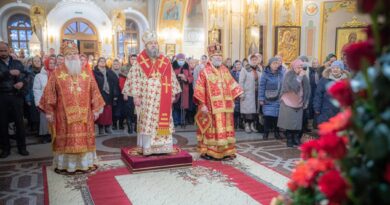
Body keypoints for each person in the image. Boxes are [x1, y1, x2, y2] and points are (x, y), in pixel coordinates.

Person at [39, 41, 105, 174]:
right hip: (63, 116)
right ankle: (67, 165)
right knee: (66, 141)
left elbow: (95, 91)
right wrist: (49, 111)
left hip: (85, 115)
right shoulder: (56, 74)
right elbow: (49, 93)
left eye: (74, 54)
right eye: (68, 54)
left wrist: (96, 109)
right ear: (63, 56)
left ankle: (85, 163)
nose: (72, 56)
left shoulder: (86, 73)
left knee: (84, 140)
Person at [122, 30, 181, 155]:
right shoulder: (139, 61)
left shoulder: (165, 61)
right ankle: (148, 147)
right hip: (146, 99)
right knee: (147, 121)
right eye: (151, 43)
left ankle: (164, 146)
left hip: (163, 98)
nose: (154, 45)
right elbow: (134, 79)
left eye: (155, 43)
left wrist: (172, 94)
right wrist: (136, 96)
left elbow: (171, 78)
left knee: (163, 120)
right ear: (146, 46)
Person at [194, 42, 243, 160]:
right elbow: (199, 89)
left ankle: (226, 151)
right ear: (210, 58)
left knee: (225, 129)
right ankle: (209, 151)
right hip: (211, 108)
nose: (219, 58)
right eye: (216, 56)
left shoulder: (225, 70)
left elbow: (231, 83)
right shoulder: (204, 71)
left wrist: (239, 93)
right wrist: (202, 104)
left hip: (225, 107)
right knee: (211, 130)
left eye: (220, 56)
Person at [0, 41, 29, 158]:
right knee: (2, 123)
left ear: (9, 50)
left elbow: (26, 75)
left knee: (19, 123)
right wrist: (8, 73)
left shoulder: (17, 63)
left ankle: (22, 147)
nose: (2, 53)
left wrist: (22, 82)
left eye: (4, 50)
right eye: (0, 51)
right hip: (2, 96)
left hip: (16, 96)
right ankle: (5, 148)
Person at [277, 59, 310, 147]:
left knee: (297, 122)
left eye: (301, 67)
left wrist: (306, 101)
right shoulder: (288, 75)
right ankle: (289, 139)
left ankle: (296, 138)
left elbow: (307, 89)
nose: (300, 69)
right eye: (298, 67)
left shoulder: (304, 76)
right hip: (288, 101)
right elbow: (293, 87)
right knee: (289, 122)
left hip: (299, 102)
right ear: (294, 67)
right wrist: (299, 77)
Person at [313, 60, 349, 126]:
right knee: (327, 129)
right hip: (326, 110)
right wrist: (316, 107)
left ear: (341, 70)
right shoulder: (324, 80)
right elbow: (318, 94)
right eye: (333, 68)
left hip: (341, 110)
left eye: (337, 68)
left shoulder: (346, 81)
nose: (335, 70)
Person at [259, 57, 284, 140]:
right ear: (269, 64)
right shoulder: (265, 74)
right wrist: (261, 98)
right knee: (267, 116)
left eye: (277, 63)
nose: (276, 65)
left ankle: (276, 133)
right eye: (274, 63)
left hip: (278, 98)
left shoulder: (281, 73)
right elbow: (261, 86)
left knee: (276, 117)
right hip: (267, 98)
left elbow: (284, 85)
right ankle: (265, 133)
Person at [93, 57, 120, 135]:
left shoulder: (109, 71)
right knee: (101, 111)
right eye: (100, 61)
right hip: (99, 93)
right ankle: (101, 127)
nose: (102, 62)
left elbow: (115, 82)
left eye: (104, 61)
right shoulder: (95, 72)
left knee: (108, 111)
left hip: (108, 94)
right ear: (97, 63)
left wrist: (115, 94)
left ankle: (108, 127)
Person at [33, 57, 56, 143]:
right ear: (46, 64)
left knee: (56, 118)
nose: (52, 65)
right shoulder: (39, 76)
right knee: (44, 119)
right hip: (44, 100)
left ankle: (55, 134)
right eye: (50, 63)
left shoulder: (58, 74)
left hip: (56, 100)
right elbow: (36, 89)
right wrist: (38, 102)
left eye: (53, 63)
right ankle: (45, 135)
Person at [239, 54, 261, 133]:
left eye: (256, 59)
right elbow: (241, 82)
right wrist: (241, 93)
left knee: (254, 110)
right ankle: (247, 125)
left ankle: (252, 125)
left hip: (256, 93)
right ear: (249, 60)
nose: (254, 61)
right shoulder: (245, 69)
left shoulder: (259, 69)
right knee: (247, 111)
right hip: (247, 93)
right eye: (253, 60)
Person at [172, 53, 193, 127]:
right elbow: (170, 77)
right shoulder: (172, 66)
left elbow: (191, 78)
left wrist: (186, 79)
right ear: (177, 60)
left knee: (183, 106)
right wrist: (177, 76)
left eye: (182, 60)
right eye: (180, 60)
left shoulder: (187, 66)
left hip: (184, 89)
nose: (181, 61)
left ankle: (182, 121)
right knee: (175, 106)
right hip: (175, 89)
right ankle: (175, 121)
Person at [119, 66, 134, 134]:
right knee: (129, 112)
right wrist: (125, 93)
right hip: (128, 95)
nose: (127, 72)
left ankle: (135, 128)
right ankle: (130, 128)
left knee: (134, 112)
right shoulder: (123, 77)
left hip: (134, 95)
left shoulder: (132, 77)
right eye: (126, 71)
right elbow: (122, 86)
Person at [231, 60, 242, 129]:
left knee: (241, 108)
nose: (238, 66)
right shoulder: (232, 72)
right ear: (234, 65)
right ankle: (234, 123)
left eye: (239, 64)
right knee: (235, 108)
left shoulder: (244, 72)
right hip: (234, 92)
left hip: (241, 91)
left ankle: (240, 123)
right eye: (236, 64)